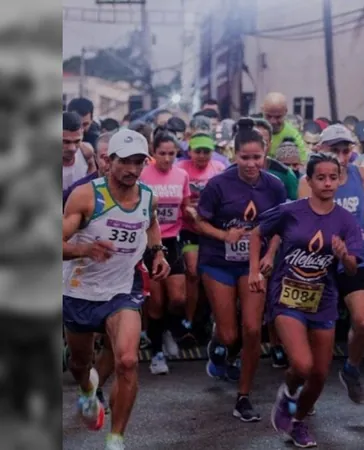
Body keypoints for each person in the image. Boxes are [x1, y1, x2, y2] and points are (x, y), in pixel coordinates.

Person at [62, 129, 170, 450]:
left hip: (123, 290)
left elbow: (150, 222)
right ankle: (86, 391)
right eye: (126, 162)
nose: (133, 170)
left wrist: (159, 252)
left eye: (139, 162)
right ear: (108, 161)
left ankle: (116, 438)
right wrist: (85, 250)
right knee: (80, 365)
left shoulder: (148, 196)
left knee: (126, 361)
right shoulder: (85, 196)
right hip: (81, 290)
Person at [249, 153, 364, 448]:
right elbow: (257, 232)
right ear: (309, 181)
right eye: (321, 177)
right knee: (301, 364)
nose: (327, 183)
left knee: (320, 375)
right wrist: (255, 270)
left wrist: (343, 256)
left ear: (340, 180)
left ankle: (297, 421)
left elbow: (352, 267)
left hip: (323, 299)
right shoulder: (291, 211)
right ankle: (287, 397)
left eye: (333, 177)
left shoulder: (345, 220)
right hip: (286, 294)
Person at [191, 119, 287, 422]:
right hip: (218, 261)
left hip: (253, 264)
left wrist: (270, 255)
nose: (251, 163)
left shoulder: (274, 185)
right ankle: (218, 345)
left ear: (265, 155)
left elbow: (280, 227)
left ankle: (243, 396)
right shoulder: (219, 185)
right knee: (230, 333)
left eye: (256, 157)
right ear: (234, 156)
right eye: (244, 157)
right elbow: (199, 221)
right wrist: (224, 236)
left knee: (252, 329)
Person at [298, 123, 364, 404]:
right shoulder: (309, 180)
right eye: (334, 150)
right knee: (314, 332)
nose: (341, 156)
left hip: (356, 257)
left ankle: (351, 369)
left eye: (346, 150)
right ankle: (306, 389)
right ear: (320, 150)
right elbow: (302, 222)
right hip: (319, 260)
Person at [139, 130, 192, 373]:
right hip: (149, 242)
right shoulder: (143, 175)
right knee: (156, 302)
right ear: (153, 152)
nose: (168, 158)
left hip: (173, 240)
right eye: (162, 153)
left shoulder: (182, 175)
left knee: (179, 298)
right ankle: (157, 352)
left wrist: (193, 214)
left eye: (172, 153)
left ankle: (169, 330)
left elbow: (185, 205)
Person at [175, 133, 227, 337]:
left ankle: (207, 319)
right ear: (189, 152)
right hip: (188, 229)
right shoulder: (180, 168)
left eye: (207, 151)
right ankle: (188, 319)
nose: (202, 155)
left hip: (212, 230)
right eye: (198, 151)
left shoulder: (219, 169)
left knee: (211, 276)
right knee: (193, 272)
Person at [262, 92, 307, 160]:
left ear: (285, 112)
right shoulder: (254, 131)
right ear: (262, 111)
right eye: (268, 116)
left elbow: (302, 164)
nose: (273, 121)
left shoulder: (294, 136)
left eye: (278, 117)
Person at [62, 111, 97, 191]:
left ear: (82, 134)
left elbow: (92, 184)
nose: (72, 148)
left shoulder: (87, 152)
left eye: (77, 141)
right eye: (66, 142)